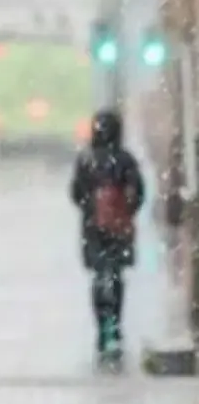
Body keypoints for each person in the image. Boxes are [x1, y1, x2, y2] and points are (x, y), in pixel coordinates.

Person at [69, 109, 145, 356]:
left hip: (93, 229)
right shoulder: (125, 160)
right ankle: (115, 325)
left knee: (99, 276)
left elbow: (76, 193)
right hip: (119, 229)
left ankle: (102, 327)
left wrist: (91, 209)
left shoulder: (86, 159)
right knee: (116, 276)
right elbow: (139, 193)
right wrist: (124, 212)